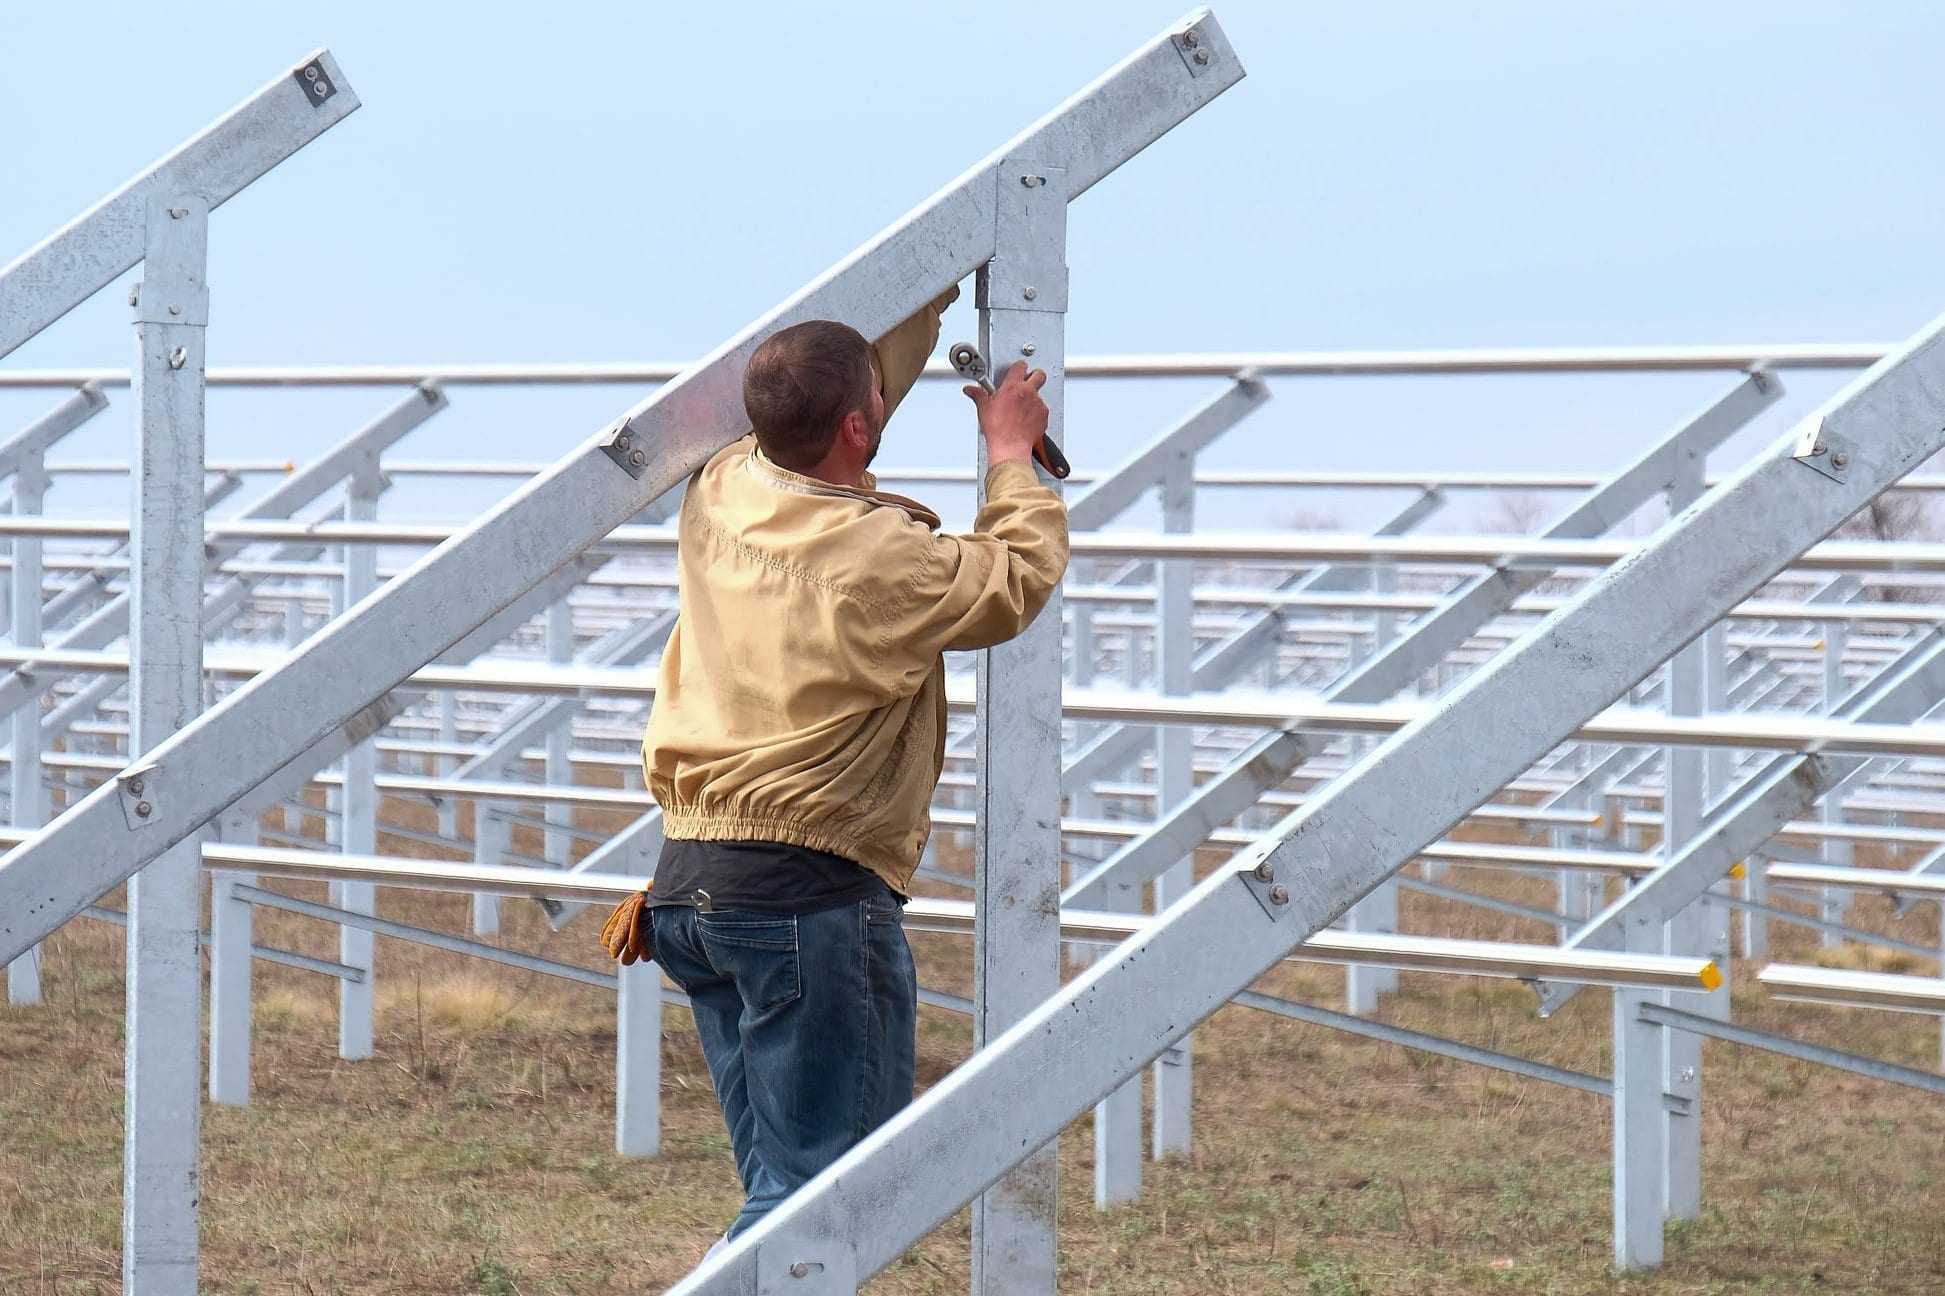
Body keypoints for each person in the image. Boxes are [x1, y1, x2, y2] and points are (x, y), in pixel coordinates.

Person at [637, 285, 1069, 1240]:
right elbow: (1015, 575)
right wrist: (1009, 457)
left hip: (691, 891)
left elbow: (844, 399)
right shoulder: (886, 560)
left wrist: (934, 278)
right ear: (860, 429)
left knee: (779, 1192)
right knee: (825, 1208)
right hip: (805, 903)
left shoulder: (726, 484)